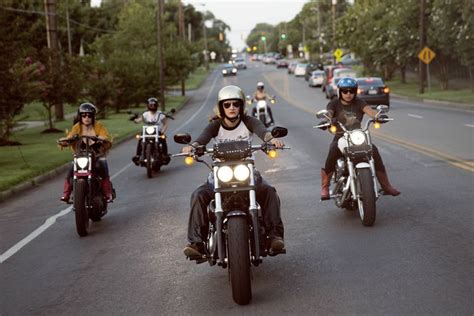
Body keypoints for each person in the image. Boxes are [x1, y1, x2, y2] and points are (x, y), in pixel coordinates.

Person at [181, 85, 286, 257]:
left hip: (247, 171)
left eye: (235, 104)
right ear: (222, 107)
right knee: (198, 195)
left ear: (241, 106)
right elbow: (202, 138)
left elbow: (262, 131)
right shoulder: (215, 125)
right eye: (227, 105)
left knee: (269, 192)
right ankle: (197, 243)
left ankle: (274, 237)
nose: (231, 108)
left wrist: (271, 139)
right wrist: (192, 147)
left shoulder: (249, 121)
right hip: (220, 173)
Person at [319, 77, 400, 199]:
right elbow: (329, 113)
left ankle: (386, 185)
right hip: (341, 136)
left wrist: (378, 116)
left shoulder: (359, 102)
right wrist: (327, 120)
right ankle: (325, 186)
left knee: (374, 150)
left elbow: (370, 111)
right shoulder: (334, 103)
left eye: (351, 91)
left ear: (355, 91)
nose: (348, 94)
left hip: (357, 136)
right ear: (340, 92)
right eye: (345, 91)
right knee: (332, 150)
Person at [58, 103, 114, 203]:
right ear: (80, 116)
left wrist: (101, 139)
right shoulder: (77, 127)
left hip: (96, 155)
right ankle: (66, 194)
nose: (86, 117)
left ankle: (107, 193)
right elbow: (70, 136)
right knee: (71, 170)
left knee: (102, 164)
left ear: (93, 116)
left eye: (89, 115)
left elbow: (105, 136)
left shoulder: (98, 126)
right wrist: (66, 141)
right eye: (84, 115)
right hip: (80, 156)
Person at [131, 97, 170, 165]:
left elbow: (165, 124)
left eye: (153, 105)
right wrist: (134, 119)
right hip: (147, 131)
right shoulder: (145, 114)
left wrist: (163, 131)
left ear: (156, 105)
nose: (152, 106)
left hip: (157, 131)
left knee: (163, 139)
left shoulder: (160, 114)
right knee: (140, 139)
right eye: (150, 105)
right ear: (148, 105)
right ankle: (138, 155)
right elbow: (139, 120)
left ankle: (164, 155)